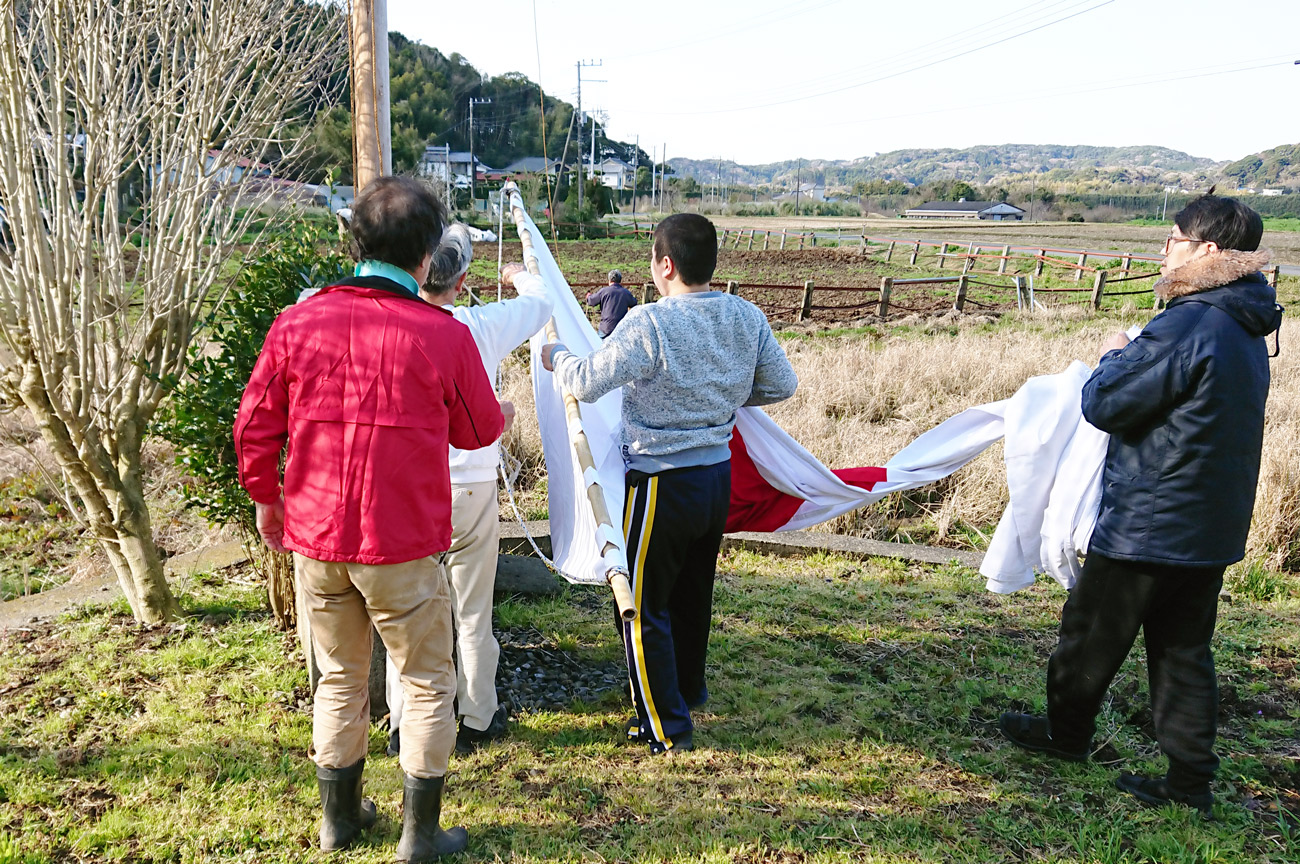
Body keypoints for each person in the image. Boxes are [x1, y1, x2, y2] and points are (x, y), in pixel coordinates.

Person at [235, 177, 509, 860]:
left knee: (337, 677)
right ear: (426, 254)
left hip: (317, 537)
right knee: (423, 680)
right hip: (402, 545)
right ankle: (420, 835)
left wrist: (268, 499)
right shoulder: (441, 336)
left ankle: (338, 820)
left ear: (353, 242)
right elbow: (479, 432)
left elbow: (254, 425)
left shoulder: (298, 322)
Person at [999, 193, 1282, 817]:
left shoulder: (1187, 324)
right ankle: (1189, 784)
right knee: (1183, 650)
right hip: (1211, 522)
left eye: (1174, 239)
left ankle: (1065, 736)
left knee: (1089, 634)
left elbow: (1106, 403)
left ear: (1207, 250)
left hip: (1151, 520)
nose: (1164, 250)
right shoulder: (1246, 323)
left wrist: (1116, 353)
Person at [541, 213, 798, 755]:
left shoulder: (649, 323)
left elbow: (587, 382)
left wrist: (554, 357)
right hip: (715, 479)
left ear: (665, 264)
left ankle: (665, 724)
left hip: (662, 482)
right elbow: (781, 383)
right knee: (691, 594)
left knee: (641, 602)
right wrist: (719, 399)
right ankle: (685, 690)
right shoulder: (745, 316)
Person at [384, 225, 554, 758]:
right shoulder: (482, 324)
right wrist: (516, 274)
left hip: (410, 487)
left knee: (406, 610)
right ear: (462, 281)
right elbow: (543, 302)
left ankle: (401, 720)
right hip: (473, 486)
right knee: (473, 610)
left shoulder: (394, 324)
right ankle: (478, 714)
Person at [585, 268, 637, 337]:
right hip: (621, 330)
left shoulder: (604, 291)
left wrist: (588, 296)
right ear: (620, 280)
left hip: (605, 329)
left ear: (609, 280)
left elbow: (592, 301)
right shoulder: (625, 293)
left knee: (600, 346)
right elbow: (634, 303)